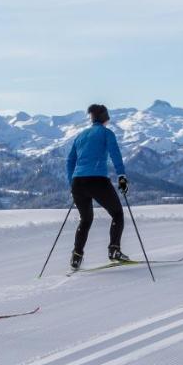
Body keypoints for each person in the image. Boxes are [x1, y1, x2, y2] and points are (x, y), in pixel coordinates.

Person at [66, 103, 129, 270]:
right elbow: (115, 154)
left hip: (78, 183)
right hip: (97, 180)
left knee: (85, 219)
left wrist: (71, 182)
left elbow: (70, 161)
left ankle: (76, 257)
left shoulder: (80, 136)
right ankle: (114, 250)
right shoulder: (107, 134)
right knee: (117, 214)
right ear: (104, 117)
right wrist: (121, 176)